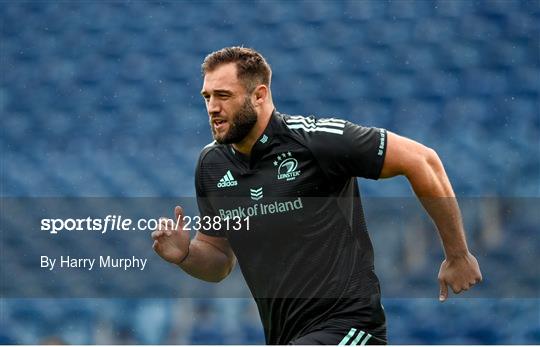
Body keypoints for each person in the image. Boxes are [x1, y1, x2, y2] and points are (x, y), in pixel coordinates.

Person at [151, 47, 482, 345]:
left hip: (351, 327)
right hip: (285, 337)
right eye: (207, 97)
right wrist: (186, 255)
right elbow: (219, 260)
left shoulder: (316, 141)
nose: (212, 107)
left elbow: (422, 160)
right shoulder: (211, 165)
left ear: (259, 95)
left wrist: (457, 254)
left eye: (223, 95)